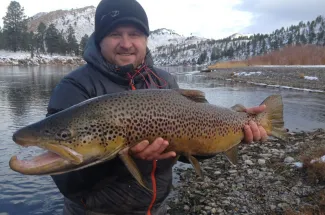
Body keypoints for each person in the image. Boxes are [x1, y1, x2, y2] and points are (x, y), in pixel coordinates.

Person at [46, 0, 268, 214]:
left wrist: (237, 131)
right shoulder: (75, 87)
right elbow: (67, 181)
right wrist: (123, 160)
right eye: (115, 34)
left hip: (156, 208)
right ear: (99, 40)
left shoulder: (165, 82)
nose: (125, 43)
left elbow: (188, 145)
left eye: (134, 34)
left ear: (145, 39)